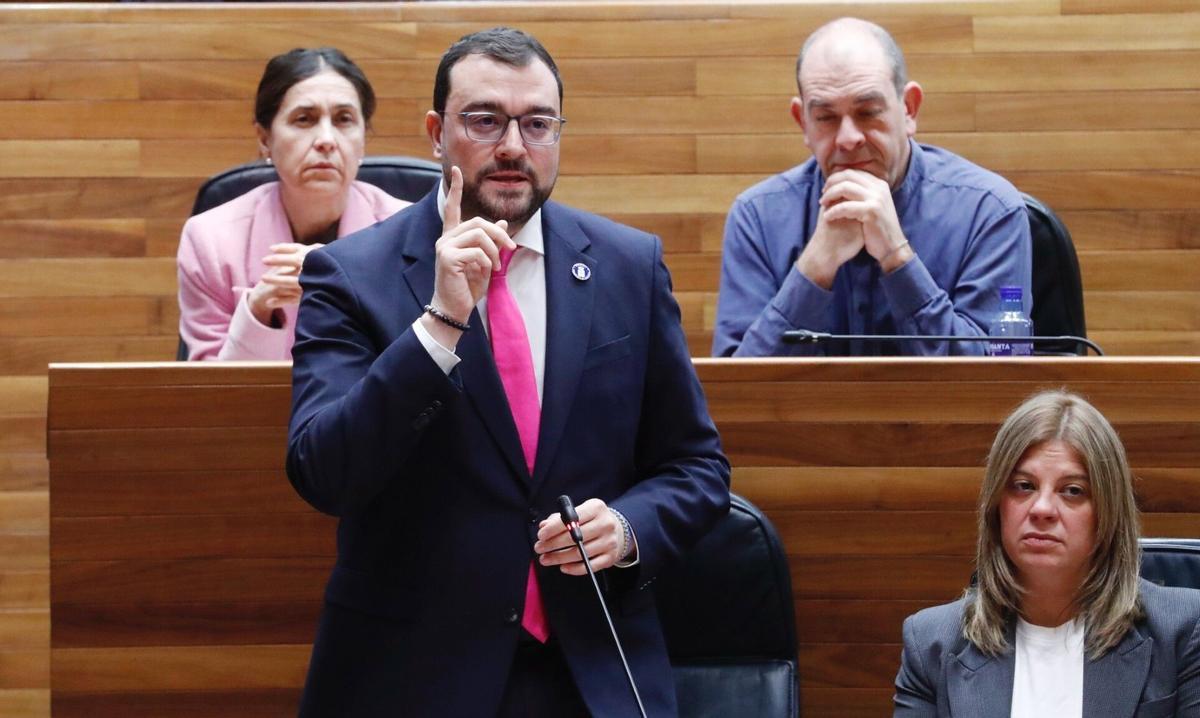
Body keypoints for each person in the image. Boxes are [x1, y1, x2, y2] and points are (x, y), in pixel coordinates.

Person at [286, 27, 730, 717]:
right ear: (436, 132)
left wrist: (628, 526)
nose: (514, 147)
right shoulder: (350, 275)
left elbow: (696, 468)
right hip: (412, 677)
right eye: (485, 120)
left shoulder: (627, 265)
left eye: (537, 123)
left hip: (590, 670)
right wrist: (437, 326)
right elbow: (324, 470)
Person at [713, 17, 1031, 357]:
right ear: (802, 121)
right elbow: (737, 396)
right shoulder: (757, 218)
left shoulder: (990, 210)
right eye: (826, 118)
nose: (848, 139)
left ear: (908, 109)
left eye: (867, 112)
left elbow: (996, 385)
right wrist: (813, 269)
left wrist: (898, 258)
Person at [894, 391, 1200, 717]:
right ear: (998, 506)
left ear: (1108, 513)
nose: (1042, 509)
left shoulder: (1182, 630)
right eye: (1024, 486)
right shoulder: (931, 643)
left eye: (1073, 491)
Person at [177, 47, 409, 360]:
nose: (326, 139)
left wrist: (345, 284)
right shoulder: (210, 239)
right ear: (264, 139)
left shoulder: (409, 231)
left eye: (344, 120)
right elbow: (211, 395)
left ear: (363, 139)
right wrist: (258, 311)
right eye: (304, 119)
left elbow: (423, 372)